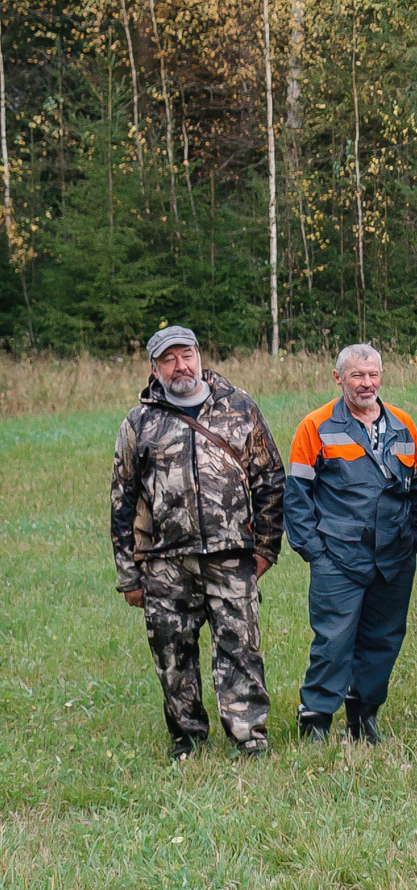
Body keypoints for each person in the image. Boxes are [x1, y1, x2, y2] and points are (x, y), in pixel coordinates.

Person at [110, 325, 284, 758]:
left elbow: (270, 480)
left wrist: (265, 548)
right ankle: (186, 739)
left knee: (241, 649)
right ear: (155, 368)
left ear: (200, 356)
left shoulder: (240, 407)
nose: (180, 366)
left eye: (186, 355)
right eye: (168, 359)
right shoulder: (140, 422)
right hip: (165, 563)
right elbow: (122, 501)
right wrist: (129, 574)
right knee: (173, 655)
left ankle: (249, 740)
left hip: (233, 558)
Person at [286, 344, 417, 743]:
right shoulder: (316, 426)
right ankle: (316, 720)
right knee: (334, 641)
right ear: (338, 378)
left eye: (373, 375)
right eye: (357, 376)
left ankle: (364, 716)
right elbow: (297, 497)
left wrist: (414, 536)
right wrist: (315, 551)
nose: (367, 383)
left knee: (383, 640)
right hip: (339, 557)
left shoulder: (403, 424)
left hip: (395, 557)